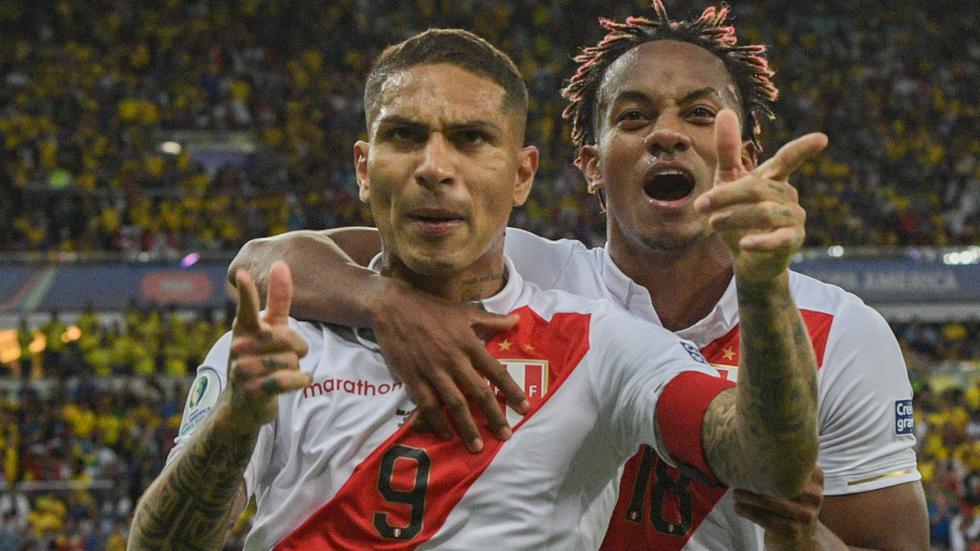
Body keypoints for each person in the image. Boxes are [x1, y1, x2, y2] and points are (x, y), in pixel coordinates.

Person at [231, 2, 928, 550]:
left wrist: (800, 535)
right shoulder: (534, 274)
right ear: (591, 165)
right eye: (633, 117)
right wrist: (384, 302)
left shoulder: (841, 333)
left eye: (699, 113)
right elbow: (265, 262)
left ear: (743, 156)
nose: (667, 133)